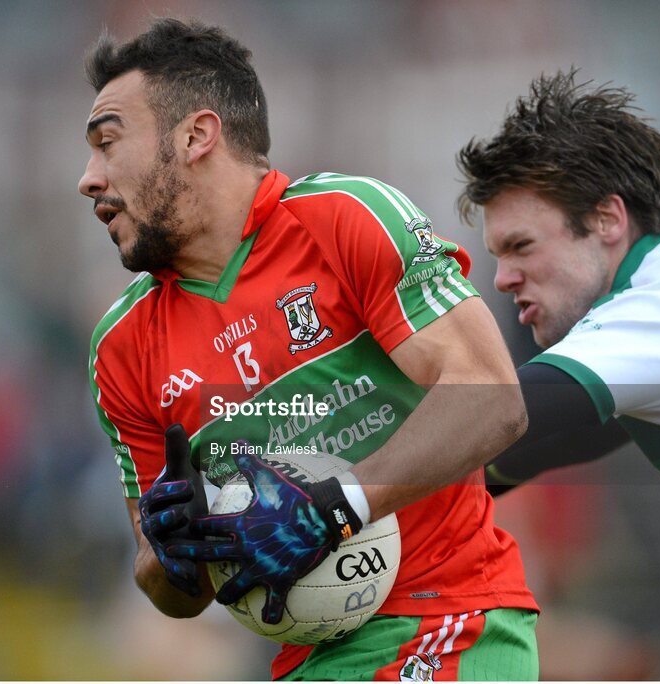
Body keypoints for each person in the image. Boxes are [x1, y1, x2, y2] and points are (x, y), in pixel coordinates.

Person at [82, 18, 538, 681]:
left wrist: (337, 504)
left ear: (196, 135)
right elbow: (167, 587)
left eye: (107, 143)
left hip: (448, 621)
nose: (88, 178)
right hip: (309, 662)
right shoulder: (120, 348)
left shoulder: (344, 218)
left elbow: (495, 401)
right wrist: (176, 556)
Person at [457, 70, 660, 562]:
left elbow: (505, 409)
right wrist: (450, 487)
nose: (502, 278)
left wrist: (337, 484)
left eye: (521, 246)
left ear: (608, 220)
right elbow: (581, 434)